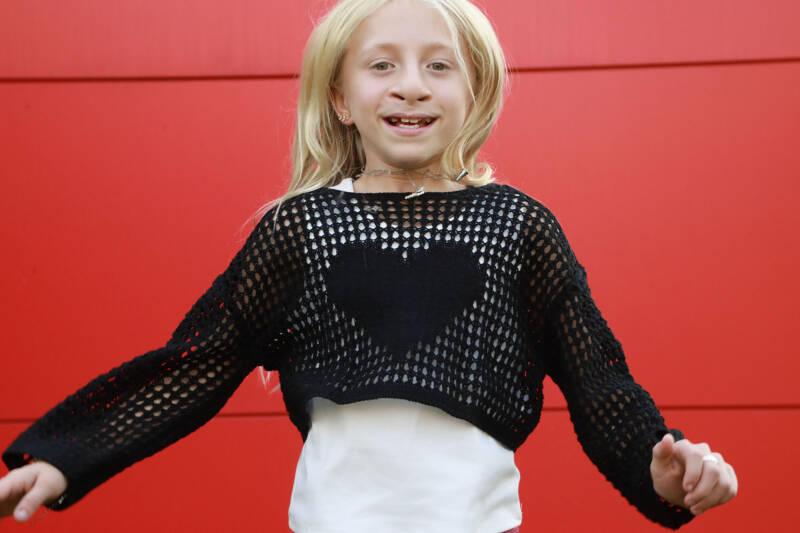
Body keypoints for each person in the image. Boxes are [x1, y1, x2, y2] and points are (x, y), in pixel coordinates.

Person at [0, 0, 737, 531]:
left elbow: (598, 380)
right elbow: (196, 361)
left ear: (472, 91)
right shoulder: (302, 229)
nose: (412, 84)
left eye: (438, 66)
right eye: (383, 65)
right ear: (341, 99)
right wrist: (66, 455)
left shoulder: (519, 227)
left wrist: (657, 468)